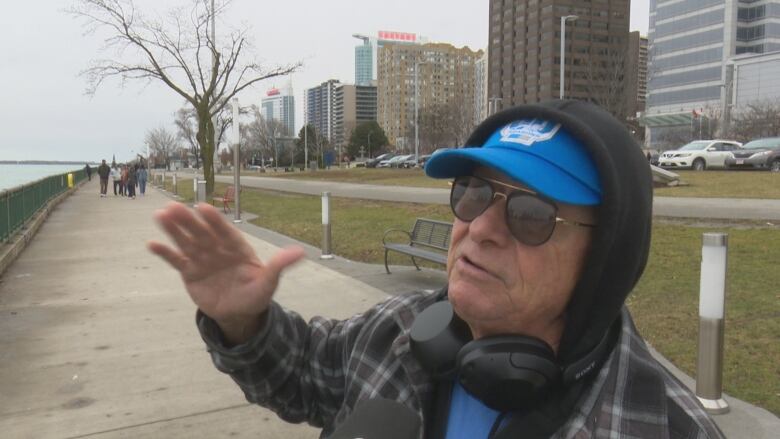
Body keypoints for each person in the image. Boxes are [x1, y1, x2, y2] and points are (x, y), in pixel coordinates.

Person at [148, 101, 724, 438]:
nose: (481, 227)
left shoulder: (665, 425)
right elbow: (301, 370)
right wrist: (244, 322)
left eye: (530, 214)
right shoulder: (399, 329)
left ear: (604, 257)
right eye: (473, 193)